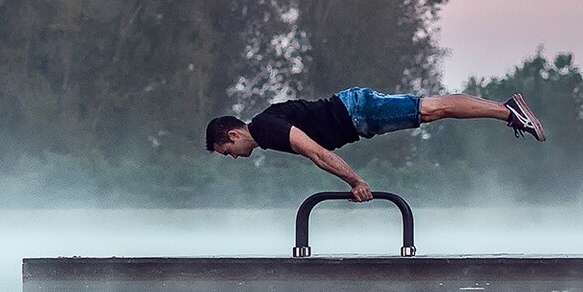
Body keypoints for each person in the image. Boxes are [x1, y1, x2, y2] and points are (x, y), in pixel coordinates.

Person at [206, 89, 545, 201]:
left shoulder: (266, 129)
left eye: (227, 152)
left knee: (432, 109)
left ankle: (507, 111)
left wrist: (356, 181)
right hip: (358, 117)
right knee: (431, 111)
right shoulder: (266, 130)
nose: (233, 158)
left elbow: (319, 154)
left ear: (232, 135)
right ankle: (507, 111)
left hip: (358, 110)